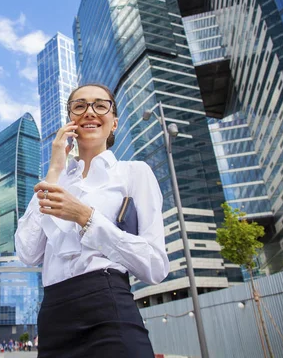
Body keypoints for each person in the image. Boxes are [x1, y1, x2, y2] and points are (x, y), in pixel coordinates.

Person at [15, 84, 170, 358]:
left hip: (107, 303)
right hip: (54, 315)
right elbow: (28, 253)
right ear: (69, 122)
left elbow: (155, 266)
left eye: (100, 105)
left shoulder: (133, 173)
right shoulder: (56, 179)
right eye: (79, 106)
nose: (89, 112)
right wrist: (54, 170)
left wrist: (86, 218)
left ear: (114, 123)